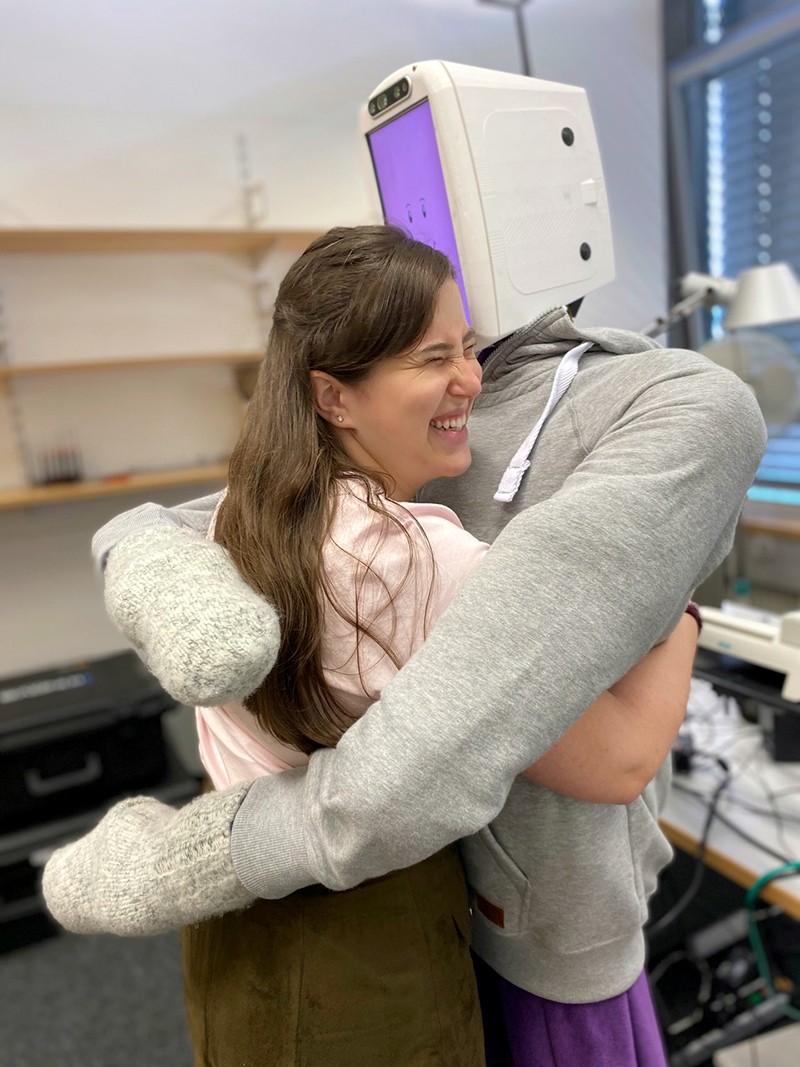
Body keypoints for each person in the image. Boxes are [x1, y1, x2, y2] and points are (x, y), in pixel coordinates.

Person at [42, 218, 766, 1064]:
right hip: (364, 941)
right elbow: (619, 761)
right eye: (433, 357)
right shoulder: (420, 556)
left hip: (238, 938)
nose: (472, 379)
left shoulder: (250, 505)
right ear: (333, 396)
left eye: (469, 345)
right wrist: (670, 599)